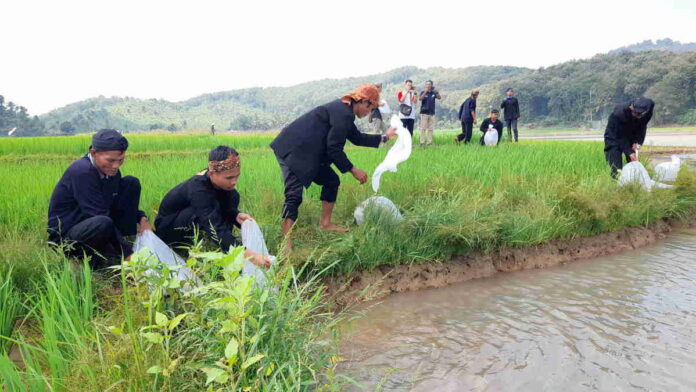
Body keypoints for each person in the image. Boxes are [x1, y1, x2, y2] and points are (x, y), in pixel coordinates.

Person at [270, 84, 397, 252]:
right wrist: (353, 170)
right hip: (294, 150)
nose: (368, 113)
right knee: (294, 194)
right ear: (363, 102)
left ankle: (325, 223)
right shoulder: (343, 113)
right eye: (370, 109)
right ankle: (285, 242)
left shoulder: (345, 112)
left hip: (310, 153)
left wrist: (385, 137)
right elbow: (333, 149)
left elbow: (357, 138)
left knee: (331, 180)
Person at [47, 129, 152, 267]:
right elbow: (100, 216)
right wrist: (128, 255)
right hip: (69, 236)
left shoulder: (110, 170)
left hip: (94, 221)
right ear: (93, 153)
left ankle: (125, 241)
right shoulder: (82, 172)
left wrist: (142, 219)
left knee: (130, 183)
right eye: (110, 160)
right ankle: (113, 255)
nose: (116, 166)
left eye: (121, 160)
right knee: (102, 222)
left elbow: (114, 201)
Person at [154, 146, 272, 267]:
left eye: (237, 176)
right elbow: (214, 226)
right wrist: (251, 256)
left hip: (197, 219)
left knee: (232, 196)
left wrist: (235, 215)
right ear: (211, 173)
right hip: (169, 229)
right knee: (203, 215)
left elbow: (223, 210)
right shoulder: (198, 188)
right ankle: (184, 250)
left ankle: (225, 252)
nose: (234, 182)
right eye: (229, 177)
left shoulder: (227, 189)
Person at [604, 97, 655, 177]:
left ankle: (634, 181)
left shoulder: (649, 107)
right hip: (614, 133)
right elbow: (620, 135)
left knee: (633, 161)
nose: (633, 114)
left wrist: (638, 142)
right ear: (631, 107)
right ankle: (615, 180)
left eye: (637, 114)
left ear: (645, 112)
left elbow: (642, 126)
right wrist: (629, 151)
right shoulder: (619, 112)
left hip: (632, 131)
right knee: (615, 164)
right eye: (633, 111)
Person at [418, 80, 441, 147]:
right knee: (423, 128)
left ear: (431, 85)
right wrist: (426, 91)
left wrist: (437, 92)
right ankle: (422, 143)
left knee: (430, 129)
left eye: (429, 84)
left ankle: (429, 143)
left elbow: (439, 97)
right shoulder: (423, 92)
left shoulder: (433, 93)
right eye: (426, 84)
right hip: (424, 113)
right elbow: (420, 99)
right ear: (425, 85)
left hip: (432, 113)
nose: (428, 85)